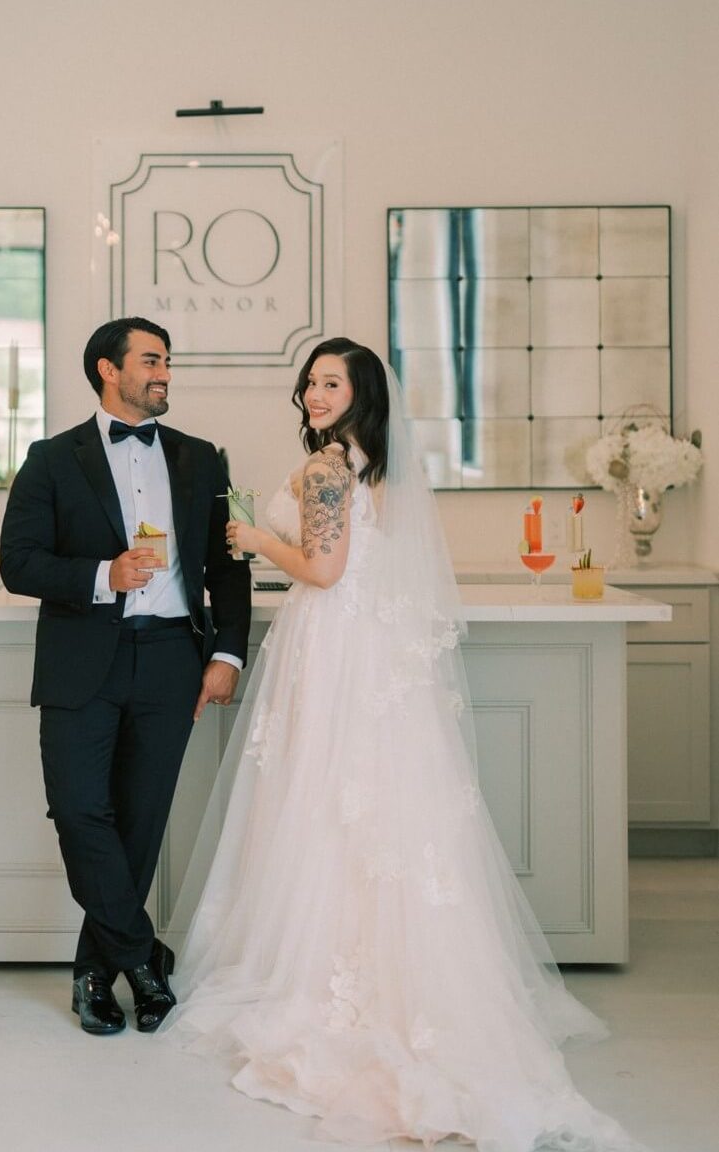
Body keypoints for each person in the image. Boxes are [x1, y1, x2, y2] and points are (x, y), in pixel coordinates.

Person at [161, 338, 646, 1151]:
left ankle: (326, 973)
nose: (314, 394)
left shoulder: (327, 468)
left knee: (324, 803)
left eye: (331, 382)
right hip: (368, 653)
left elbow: (324, 571)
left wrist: (251, 539)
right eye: (309, 381)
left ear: (363, 393)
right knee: (374, 809)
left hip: (333, 647)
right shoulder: (377, 467)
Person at [0, 317, 252, 1037]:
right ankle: (142, 959)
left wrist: (227, 655)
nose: (164, 373)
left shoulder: (202, 459)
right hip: (81, 659)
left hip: (171, 660)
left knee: (139, 824)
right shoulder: (51, 459)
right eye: (151, 360)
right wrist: (101, 575)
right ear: (108, 370)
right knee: (78, 810)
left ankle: (93, 974)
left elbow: (228, 567)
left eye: (167, 360)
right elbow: (18, 562)